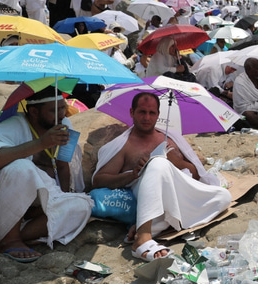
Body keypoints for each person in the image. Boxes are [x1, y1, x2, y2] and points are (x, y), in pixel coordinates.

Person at [0, 87, 93, 270]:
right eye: (53, 110)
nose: (61, 114)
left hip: (36, 209)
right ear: (34, 112)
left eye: (62, 108)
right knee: (22, 168)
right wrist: (41, 144)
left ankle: (0, 241)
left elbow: (63, 166)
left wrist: (63, 198)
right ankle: (10, 240)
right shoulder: (13, 125)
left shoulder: (64, 124)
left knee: (82, 206)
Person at [92, 92, 232, 261]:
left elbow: (196, 174)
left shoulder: (171, 138)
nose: (147, 117)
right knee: (158, 163)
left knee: (224, 197)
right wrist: (132, 174)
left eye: (152, 113)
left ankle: (153, 226)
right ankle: (143, 238)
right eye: (142, 112)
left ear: (158, 115)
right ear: (132, 112)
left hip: (179, 193)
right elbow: (99, 181)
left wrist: (177, 163)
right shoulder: (124, 145)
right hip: (148, 196)